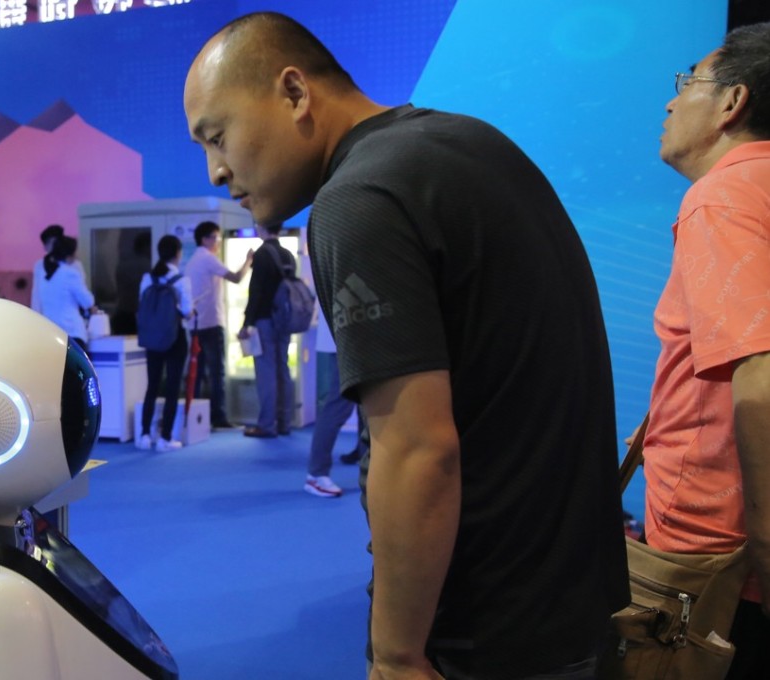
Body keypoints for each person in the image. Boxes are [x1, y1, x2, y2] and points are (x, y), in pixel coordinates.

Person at [184, 12, 628, 680]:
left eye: (217, 136)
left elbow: (418, 446)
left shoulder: (358, 197)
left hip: (490, 627)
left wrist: (395, 655)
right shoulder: (470, 145)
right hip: (573, 605)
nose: (216, 171)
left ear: (295, 93)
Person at [640, 23, 770, 679]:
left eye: (686, 81)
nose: (670, 102)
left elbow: (762, 377)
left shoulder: (723, 196)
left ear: (732, 102)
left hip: (719, 558)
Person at [184, 220, 253, 430]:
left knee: (197, 372)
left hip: (196, 324)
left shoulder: (193, 260)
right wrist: (249, 260)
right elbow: (236, 277)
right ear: (205, 239)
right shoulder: (208, 258)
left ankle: (194, 416)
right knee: (216, 372)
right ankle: (218, 417)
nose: (219, 242)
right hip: (212, 322)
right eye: (216, 237)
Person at [238, 223, 295, 439]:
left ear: (261, 228)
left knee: (266, 373)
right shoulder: (288, 255)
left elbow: (256, 292)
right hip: (284, 321)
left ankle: (266, 425)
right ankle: (285, 422)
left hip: (264, 321)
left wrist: (246, 323)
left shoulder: (262, 254)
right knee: (283, 370)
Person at [136, 235, 193, 453]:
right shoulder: (181, 280)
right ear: (178, 253)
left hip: (152, 338)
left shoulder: (147, 278)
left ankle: (144, 435)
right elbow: (187, 311)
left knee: (152, 386)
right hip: (174, 337)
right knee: (172, 387)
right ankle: (165, 438)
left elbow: (143, 304)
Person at [304, 303, 358, 498]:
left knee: (366, 404)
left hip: (353, 331)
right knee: (339, 404)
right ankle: (316, 473)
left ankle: (372, 467)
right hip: (348, 331)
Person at [37, 235, 96, 352]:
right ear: (70, 254)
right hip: (72, 332)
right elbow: (87, 301)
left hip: (51, 333)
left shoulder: (45, 275)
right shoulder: (70, 273)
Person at [30, 224, 64, 314]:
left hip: (66, 315)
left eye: (53, 242)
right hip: (46, 314)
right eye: (46, 243)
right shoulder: (39, 265)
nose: (46, 247)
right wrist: (35, 316)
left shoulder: (72, 264)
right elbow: (36, 294)